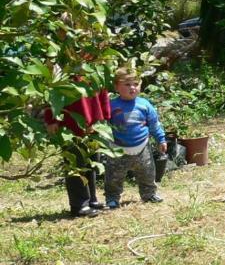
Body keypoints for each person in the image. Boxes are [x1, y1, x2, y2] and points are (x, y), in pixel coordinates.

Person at [104, 66, 167, 208]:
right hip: (117, 149)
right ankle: (112, 198)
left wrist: (161, 139)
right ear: (117, 87)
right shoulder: (111, 106)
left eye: (136, 84)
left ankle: (149, 194)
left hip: (142, 147)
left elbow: (154, 124)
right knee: (114, 176)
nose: (132, 88)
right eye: (127, 84)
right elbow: (103, 125)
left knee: (147, 172)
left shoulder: (144, 105)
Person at [45, 88, 112, 218]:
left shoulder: (94, 70)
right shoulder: (66, 71)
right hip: (71, 128)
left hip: (93, 126)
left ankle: (91, 199)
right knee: (75, 165)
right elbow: (52, 94)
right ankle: (79, 204)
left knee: (91, 163)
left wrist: (105, 116)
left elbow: (103, 94)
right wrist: (51, 119)